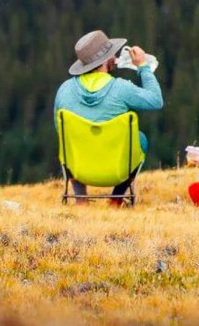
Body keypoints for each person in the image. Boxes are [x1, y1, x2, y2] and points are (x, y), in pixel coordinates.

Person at [54, 29, 163, 202]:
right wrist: (143, 67)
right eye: (112, 53)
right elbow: (156, 100)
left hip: (79, 166)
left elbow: (60, 133)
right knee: (140, 138)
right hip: (116, 169)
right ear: (106, 60)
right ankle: (116, 198)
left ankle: (80, 199)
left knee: (67, 140)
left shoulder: (64, 90)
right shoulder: (121, 88)